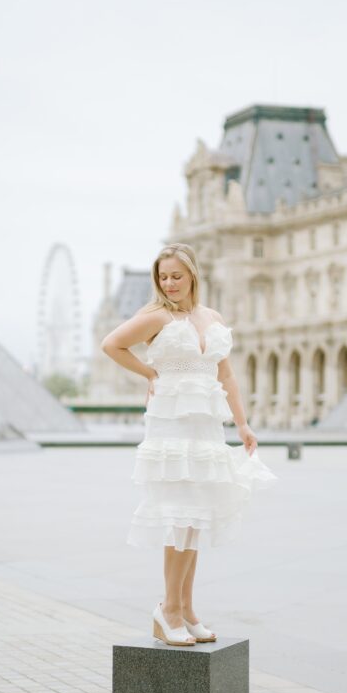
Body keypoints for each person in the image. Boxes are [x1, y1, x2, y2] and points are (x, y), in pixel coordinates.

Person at [101, 242, 278, 648]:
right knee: (179, 516)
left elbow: (226, 375)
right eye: (163, 277)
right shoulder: (156, 316)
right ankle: (169, 610)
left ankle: (186, 608)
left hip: (204, 426)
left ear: (193, 275)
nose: (169, 283)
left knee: (195, 518)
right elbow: (112, 344)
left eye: (176, 276)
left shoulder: (212, 318)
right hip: (172, 424)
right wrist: (150, 374)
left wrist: (243, 424)